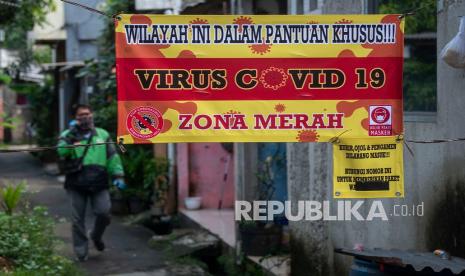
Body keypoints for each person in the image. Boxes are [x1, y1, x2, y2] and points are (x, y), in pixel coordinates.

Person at [57, 104, 126, 262]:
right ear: (76, 118)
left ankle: (96, 235)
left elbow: (113, 156)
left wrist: (118, 175)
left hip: (99, 181)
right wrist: (72, 135)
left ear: (92, 115)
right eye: (81, 115)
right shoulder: (68, 134)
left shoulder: (102, 134)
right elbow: (61, 151)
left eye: (87, 113)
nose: (85, 117)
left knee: (104, 212)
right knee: (77, 219)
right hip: (76, 182)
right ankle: (81, 251)